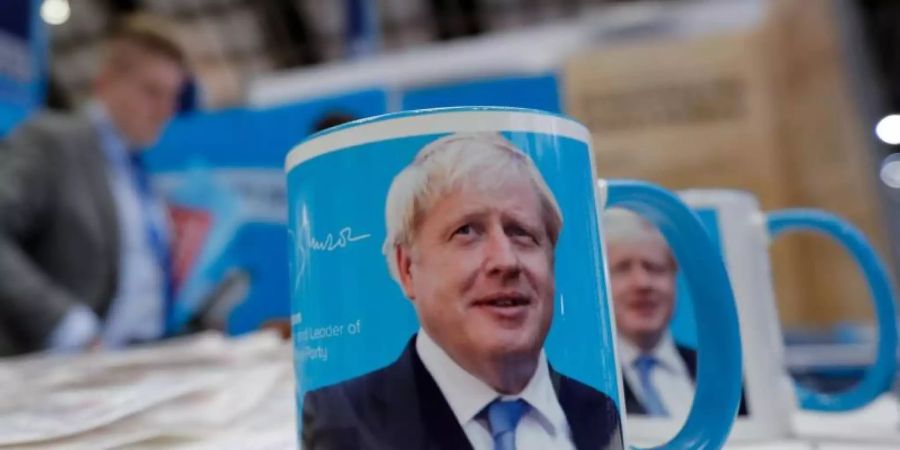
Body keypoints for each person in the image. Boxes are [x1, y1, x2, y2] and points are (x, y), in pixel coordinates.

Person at [302, 133, 623, 450]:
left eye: (521, 232)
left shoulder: (602, 413)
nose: (506, 261)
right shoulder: (339, 422)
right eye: (466, 231)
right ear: (407, 268)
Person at [0, 14, 189, 356]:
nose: (165, 111)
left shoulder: (138, 173)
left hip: (143, 361)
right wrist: (63, 323)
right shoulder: (52, 142)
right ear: (106, 83)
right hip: (62, 367)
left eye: (172, 97)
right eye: (152, 92)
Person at [604, 208, 747, 420]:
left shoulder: (724, 375)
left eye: (654, 268)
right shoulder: (587, 384)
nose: (642, 284)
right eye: (622, 268)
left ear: (674, 278)